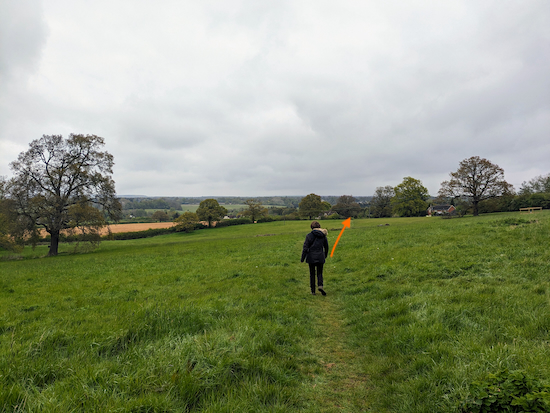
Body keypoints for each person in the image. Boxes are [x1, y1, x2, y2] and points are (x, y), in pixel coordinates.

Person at [301, 221, 329, 295]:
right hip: (320, 256)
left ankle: (313, 291)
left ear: (311, 227)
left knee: (312, 274)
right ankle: (320, 286)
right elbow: (326, 247)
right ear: (319, 227)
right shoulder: (323, 235)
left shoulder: (309, 236)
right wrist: (325, 255)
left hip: (311, 257)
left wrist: (302, 258)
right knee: (320, 272)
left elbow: (305, 247)